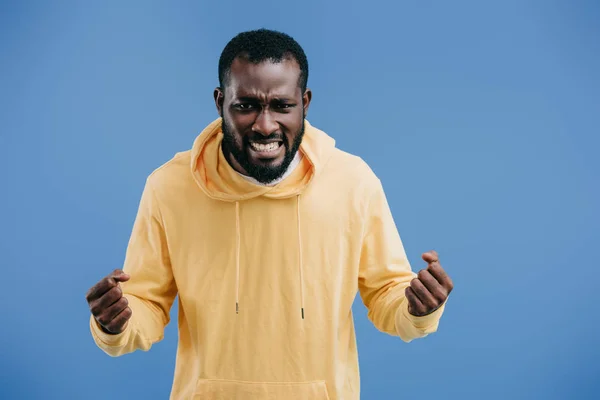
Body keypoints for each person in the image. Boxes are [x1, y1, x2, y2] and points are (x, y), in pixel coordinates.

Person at [85, 28, 454, 400]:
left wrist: (416, 308)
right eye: (246, 105)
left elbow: (387, 294)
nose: (265, 125)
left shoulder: (354, 183)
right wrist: (116, 322)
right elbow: (146, 305)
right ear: (220, 102)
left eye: (282, 105)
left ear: (304, 103)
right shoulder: (169, 187)